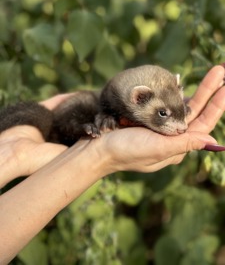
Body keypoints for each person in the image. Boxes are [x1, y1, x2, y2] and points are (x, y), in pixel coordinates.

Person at [0, 65, 225, 264]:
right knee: (78, 106)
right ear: (138, 98)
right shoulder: (109, 102)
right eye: (163, 113)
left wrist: (12, 155)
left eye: (177, 112)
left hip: (49, 145)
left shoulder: (139, 105)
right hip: (63, 128)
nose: (181, 127)